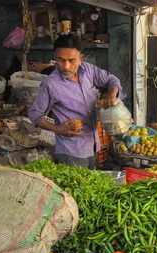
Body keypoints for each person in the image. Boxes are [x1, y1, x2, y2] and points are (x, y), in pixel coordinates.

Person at [28, 34, 122, 169]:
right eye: (60, 60)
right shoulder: (50, 84)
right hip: (71, 150)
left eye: (71, 60)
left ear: (81, 59)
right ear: (54, 58)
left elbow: (111, 80)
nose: (66, 66)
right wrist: (58, 129)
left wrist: (112, 94)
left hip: (93, 144)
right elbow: (34, 114)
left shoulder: (88, 70)